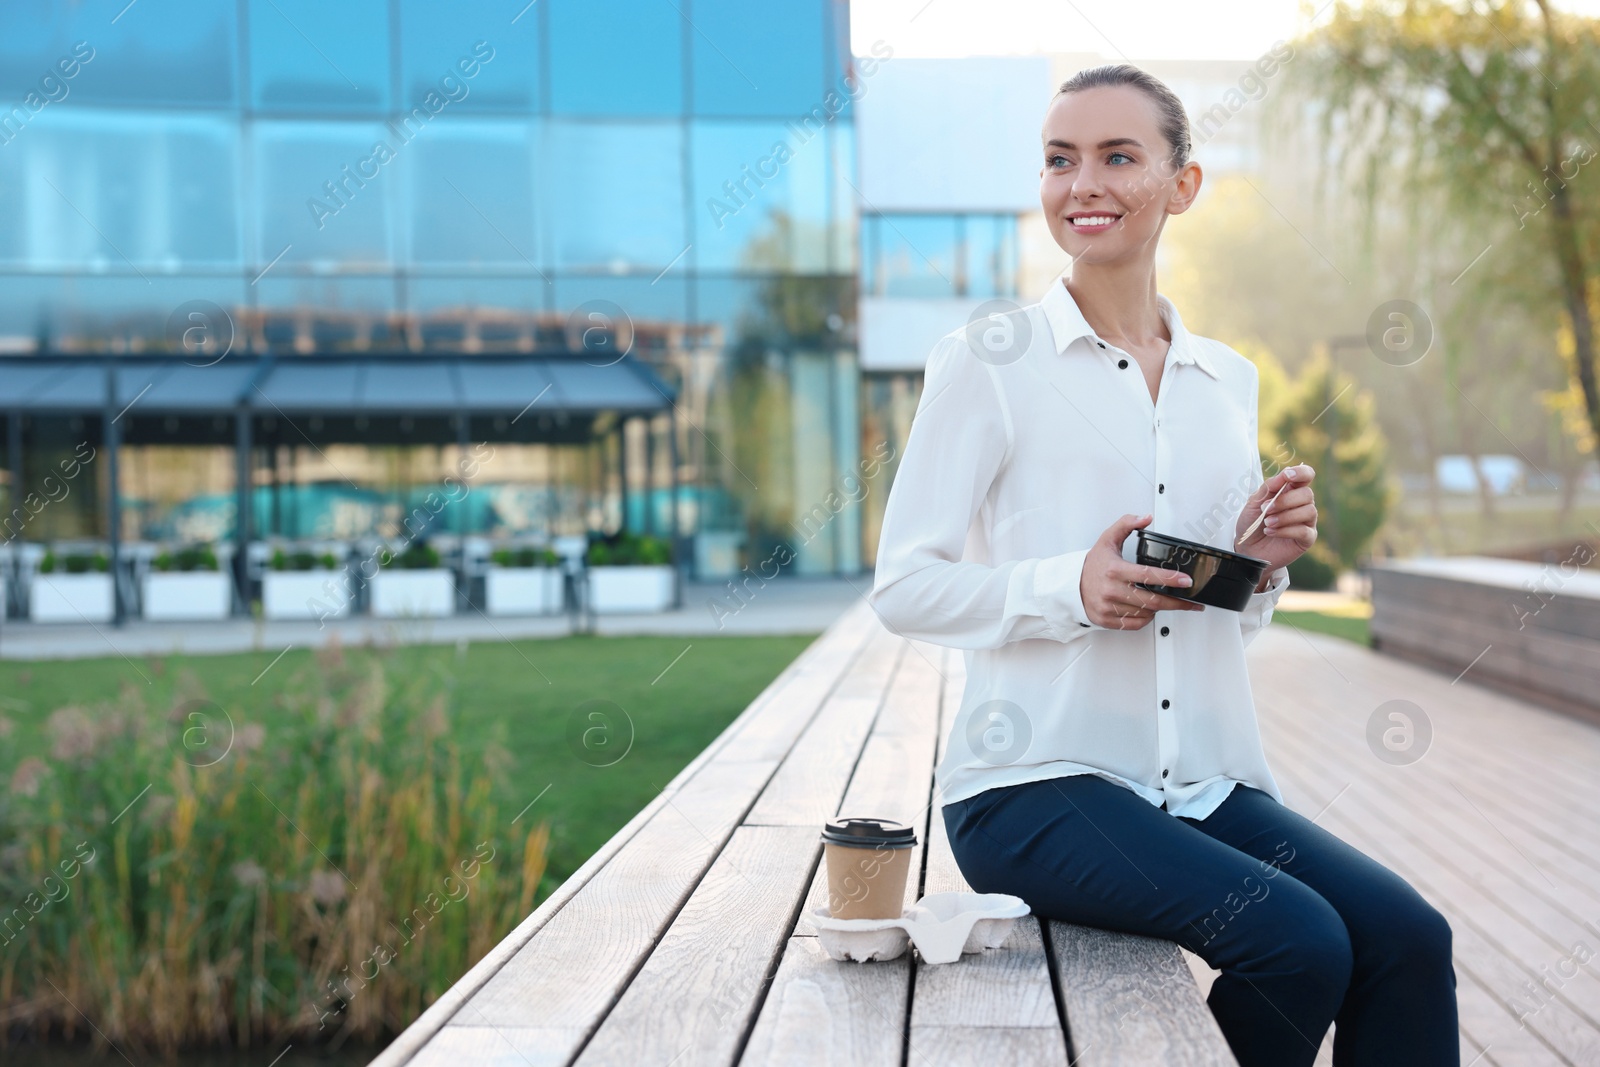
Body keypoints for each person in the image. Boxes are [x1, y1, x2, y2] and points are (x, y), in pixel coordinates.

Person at [866, 64, 1458, 1067]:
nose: (1080, 183)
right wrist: (1069, 588)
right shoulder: (987, 357)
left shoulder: (1224, 377)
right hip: (1031, 785)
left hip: (1204, 782)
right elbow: (902, 585)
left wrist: (1257, 568)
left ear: (1182, 185)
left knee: (1408, 939)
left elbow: (1215, 611)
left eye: (1116, 156)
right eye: (1059, 160)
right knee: (1299, 940)